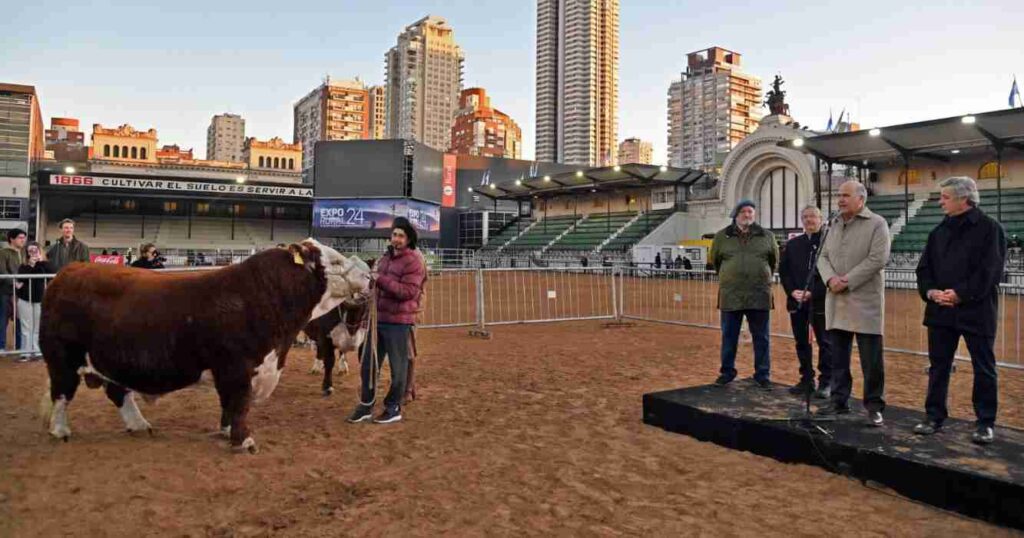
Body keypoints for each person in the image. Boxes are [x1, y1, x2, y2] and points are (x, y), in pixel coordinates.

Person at [914, 177, 1005, 444]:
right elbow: (924, 269)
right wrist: (931, 292)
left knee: (984, 368)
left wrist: (960, 294)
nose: (940, 201)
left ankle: (985, 422)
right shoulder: (938, 231)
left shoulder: (990, 229)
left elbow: (991, 271)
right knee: (938, 367)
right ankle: (933, 416)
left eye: (945, 197)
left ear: (963, 199)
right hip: (940, 311)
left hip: (977, 311)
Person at [816, 181, 890, 426]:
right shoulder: (832, 225)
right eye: (839, 195)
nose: (840, 200)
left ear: (861, 199)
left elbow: (878, 259)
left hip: (865, 301)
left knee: (872, 361)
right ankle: (838, 401)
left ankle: (874, 407)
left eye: (845, 195)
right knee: (838, 358)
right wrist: (829, 279)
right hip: (836, 300)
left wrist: (846, 280)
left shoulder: (877, 223)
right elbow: (822, 257)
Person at [348, 217, 426, 425]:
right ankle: (366, 404)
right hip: (377, 319)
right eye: (394, 235)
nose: (396, 239)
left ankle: (393, 407)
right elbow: (376, 283)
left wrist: (380, 280)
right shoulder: (385, 258)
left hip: (398, 322)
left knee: (398, 367)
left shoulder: (414, 261)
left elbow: (408, 292)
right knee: (367, 363)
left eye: (401, 236)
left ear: (409, 240)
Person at [709, 200, 778, 390]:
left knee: (761, 337)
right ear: (736, 214)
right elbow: (715, 261)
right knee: (729, 336)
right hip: (731, 295)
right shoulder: (722, 237)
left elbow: (773, 262)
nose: (747, 215)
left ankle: (762, 374)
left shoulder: (767, 236)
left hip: (759, 294)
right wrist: (730, 277)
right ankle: (727, 372)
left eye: (751, 212)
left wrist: (760, 277)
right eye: (744, 212)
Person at [778, 206, 833, 398]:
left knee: (825, 343)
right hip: (797, 302)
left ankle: (827, 382)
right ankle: (806, 379)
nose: (809, 220)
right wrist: (792, 291)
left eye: (813, 217)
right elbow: (784, 272)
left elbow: (831, 273)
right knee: (802, 342)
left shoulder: (829, 243)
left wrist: (813, 292)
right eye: (805, 217)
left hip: (820, 302)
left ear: (821, 219)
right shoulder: (793, 245)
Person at [16, 242, 52, 361]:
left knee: (38, 327)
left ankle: (37, 352)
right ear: (27, 253)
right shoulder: (23, 266)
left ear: (40, 251)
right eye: (30, 251)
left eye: (35, 250)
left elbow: (52, 273)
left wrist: (40, 262)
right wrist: (31, 265)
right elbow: (20, 278)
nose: (33, 253)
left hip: (40, 299)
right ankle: (25, 352)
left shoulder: (45, 264)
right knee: (26, 326)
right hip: (25, 299)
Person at [0, 229, 27, 351]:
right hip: (5, 292)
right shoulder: (3, 253)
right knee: (3, 320)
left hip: (21, 293)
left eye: (24, 237)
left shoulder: (24, 253)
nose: (23, 240)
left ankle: (19, 346)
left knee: (20, 321)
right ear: (12, 239)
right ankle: (1, 346)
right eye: (20, 237)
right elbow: (2, 271)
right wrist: (14, 283)